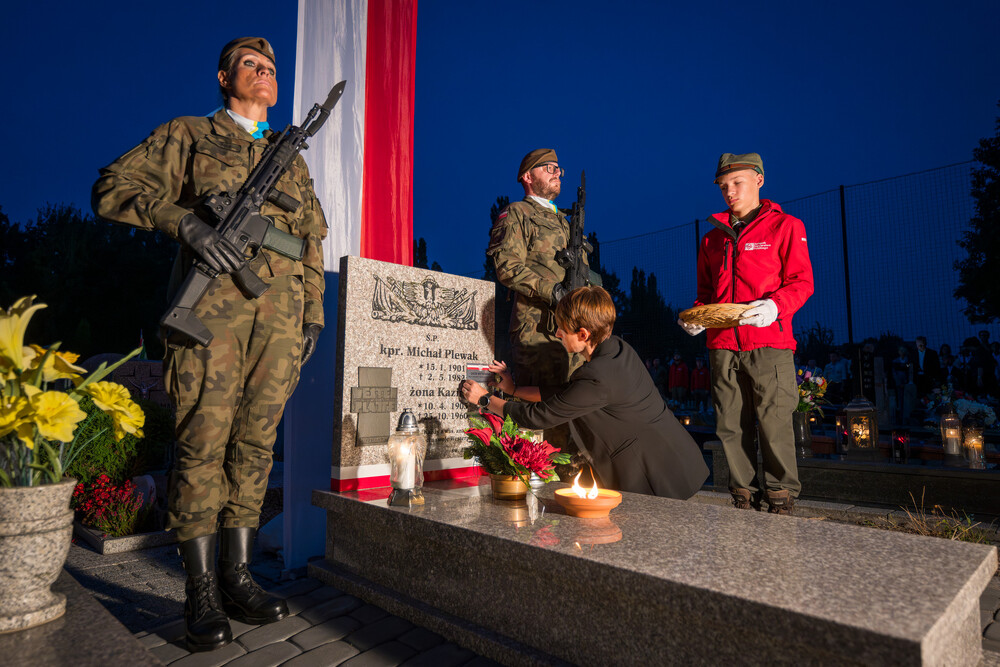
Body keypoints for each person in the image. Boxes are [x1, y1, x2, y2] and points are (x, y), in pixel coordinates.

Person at [92, 37, 327, 652]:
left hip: (280, 321)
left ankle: (238, 575)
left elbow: (309, 241)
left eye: (272, 68)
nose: (265, 73)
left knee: (255, 444)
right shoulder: (191, 134)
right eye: (252, 65)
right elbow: (113, 186)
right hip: (212, 318)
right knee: (203, 440)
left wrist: (313, 318)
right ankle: (198, 588)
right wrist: (186, 223)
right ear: (225, 77)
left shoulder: (288, 156)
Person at [460, 287, 708, 499]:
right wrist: (513, 389)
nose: (556, 333)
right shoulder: (616, 349)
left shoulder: (599, 376)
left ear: (583, 335)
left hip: (658, 476)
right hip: (676, 460)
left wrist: (485, 400)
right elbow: (565, 393)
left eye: (561, 328)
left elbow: (540, 416)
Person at [677, 153, 813, 515]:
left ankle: (781, 496)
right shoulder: (711, 240)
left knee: (774, 419)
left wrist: (775, 307)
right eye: (723, 186)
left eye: (737, 182)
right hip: (722, 344)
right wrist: (699, 318)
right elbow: (706, 294)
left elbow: (802, 282)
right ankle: (742, 494)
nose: (729, 191)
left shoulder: (786, 226)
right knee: (730, 423)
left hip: (769, 341)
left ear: (759, 180)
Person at [487, 148, 590, 456]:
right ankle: (541, 477)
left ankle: (574, 474)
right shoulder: (518, 213)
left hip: (574, 331)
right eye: (549, 168)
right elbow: (506, 265)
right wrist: (552, 291)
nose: (557, 173)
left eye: (559, 168)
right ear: (527, 176)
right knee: (542, 410)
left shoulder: (564, 219)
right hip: (538, 330)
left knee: (575, 400)